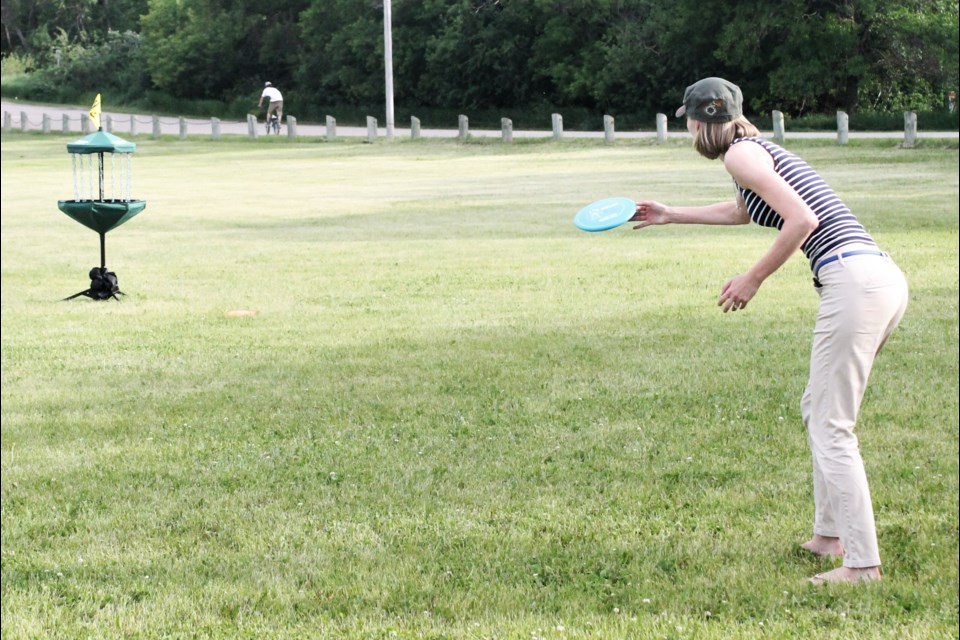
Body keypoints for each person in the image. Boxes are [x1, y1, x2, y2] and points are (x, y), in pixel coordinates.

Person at [630, 77, 909, 585]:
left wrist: (752, 278)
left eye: (687, 121)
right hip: (878, 277)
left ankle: (862, 564)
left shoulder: (741, 156)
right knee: (819, 408)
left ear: (700, 122)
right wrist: (673, 214)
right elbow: (745, 210)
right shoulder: (754, 151)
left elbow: (799, 220)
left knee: (831, 424)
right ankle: (829, 536)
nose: (687, 129)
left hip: (854, 280)